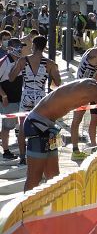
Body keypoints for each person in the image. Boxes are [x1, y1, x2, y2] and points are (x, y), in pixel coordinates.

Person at [22, 76, 97, 192]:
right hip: (36, 125)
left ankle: (54, 209)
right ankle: (24, 210)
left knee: (53, 177)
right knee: (35, 178)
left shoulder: (92, 86)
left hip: (49, 128)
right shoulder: (91, 88)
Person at [10, 35, 62, 165]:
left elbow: (11, 77)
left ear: (33, 45)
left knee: (22, 127)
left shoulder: (23, 61)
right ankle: (49, 153)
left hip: (26, 95)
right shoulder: (50, 64)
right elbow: (58, 83)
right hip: (40, 97)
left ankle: (23, 157)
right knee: (48, 125)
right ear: (44, 47)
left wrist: (16, 63)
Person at [69, 33, 97, 160]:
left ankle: (81, 148)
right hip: (80, 89)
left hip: (86, 88)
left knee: (83, 118)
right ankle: (75, 150)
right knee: (77, 119)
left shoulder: (93, 52)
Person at [0, 37, 23, 160]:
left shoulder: (21, 61)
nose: (21, 49)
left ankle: (20, 147)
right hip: (8, 100)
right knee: (7, 127)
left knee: (17, 124)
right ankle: (6, 151)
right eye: (18, 47)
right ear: (10, 48)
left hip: (19, 98)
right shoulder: (4, 62)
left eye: (21, 47)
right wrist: (3, 96)